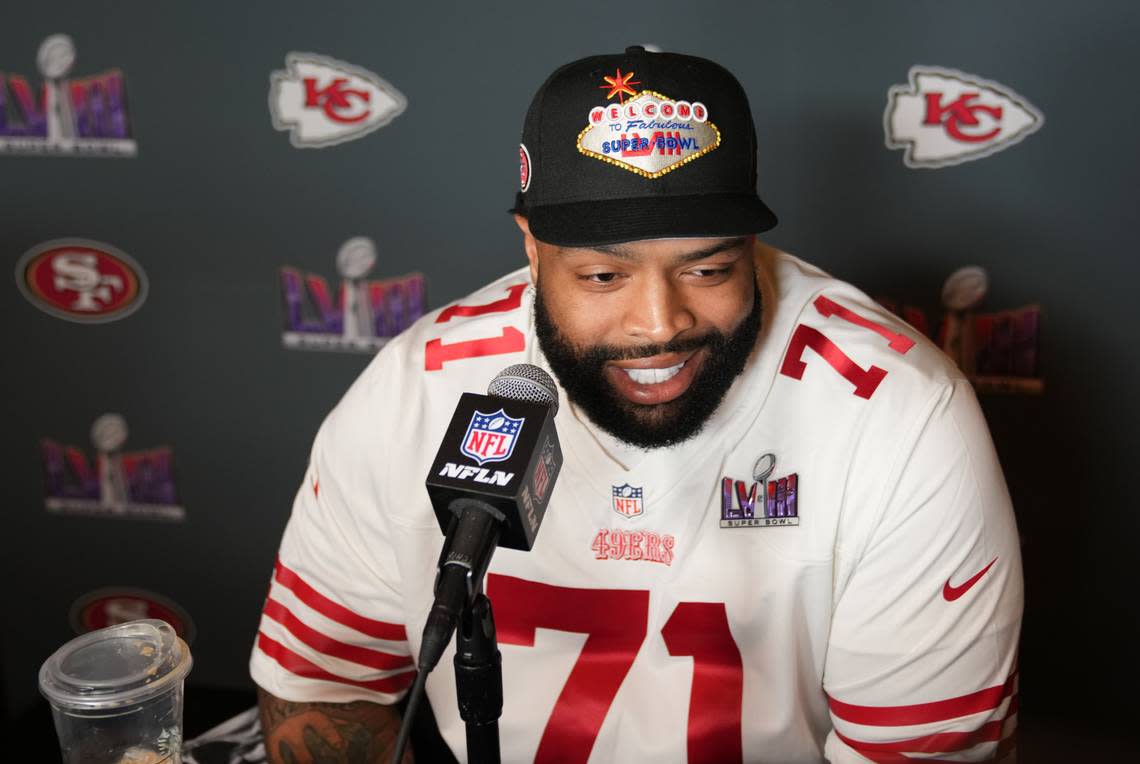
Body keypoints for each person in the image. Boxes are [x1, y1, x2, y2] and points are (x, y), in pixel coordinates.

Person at [250, 46, 1023, 764]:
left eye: (709, 268)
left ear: (749, 246)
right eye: (602, 278)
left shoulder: (899, 412)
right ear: (530, 245)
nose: (659, 325)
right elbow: (319, 690)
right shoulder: (415, 388)